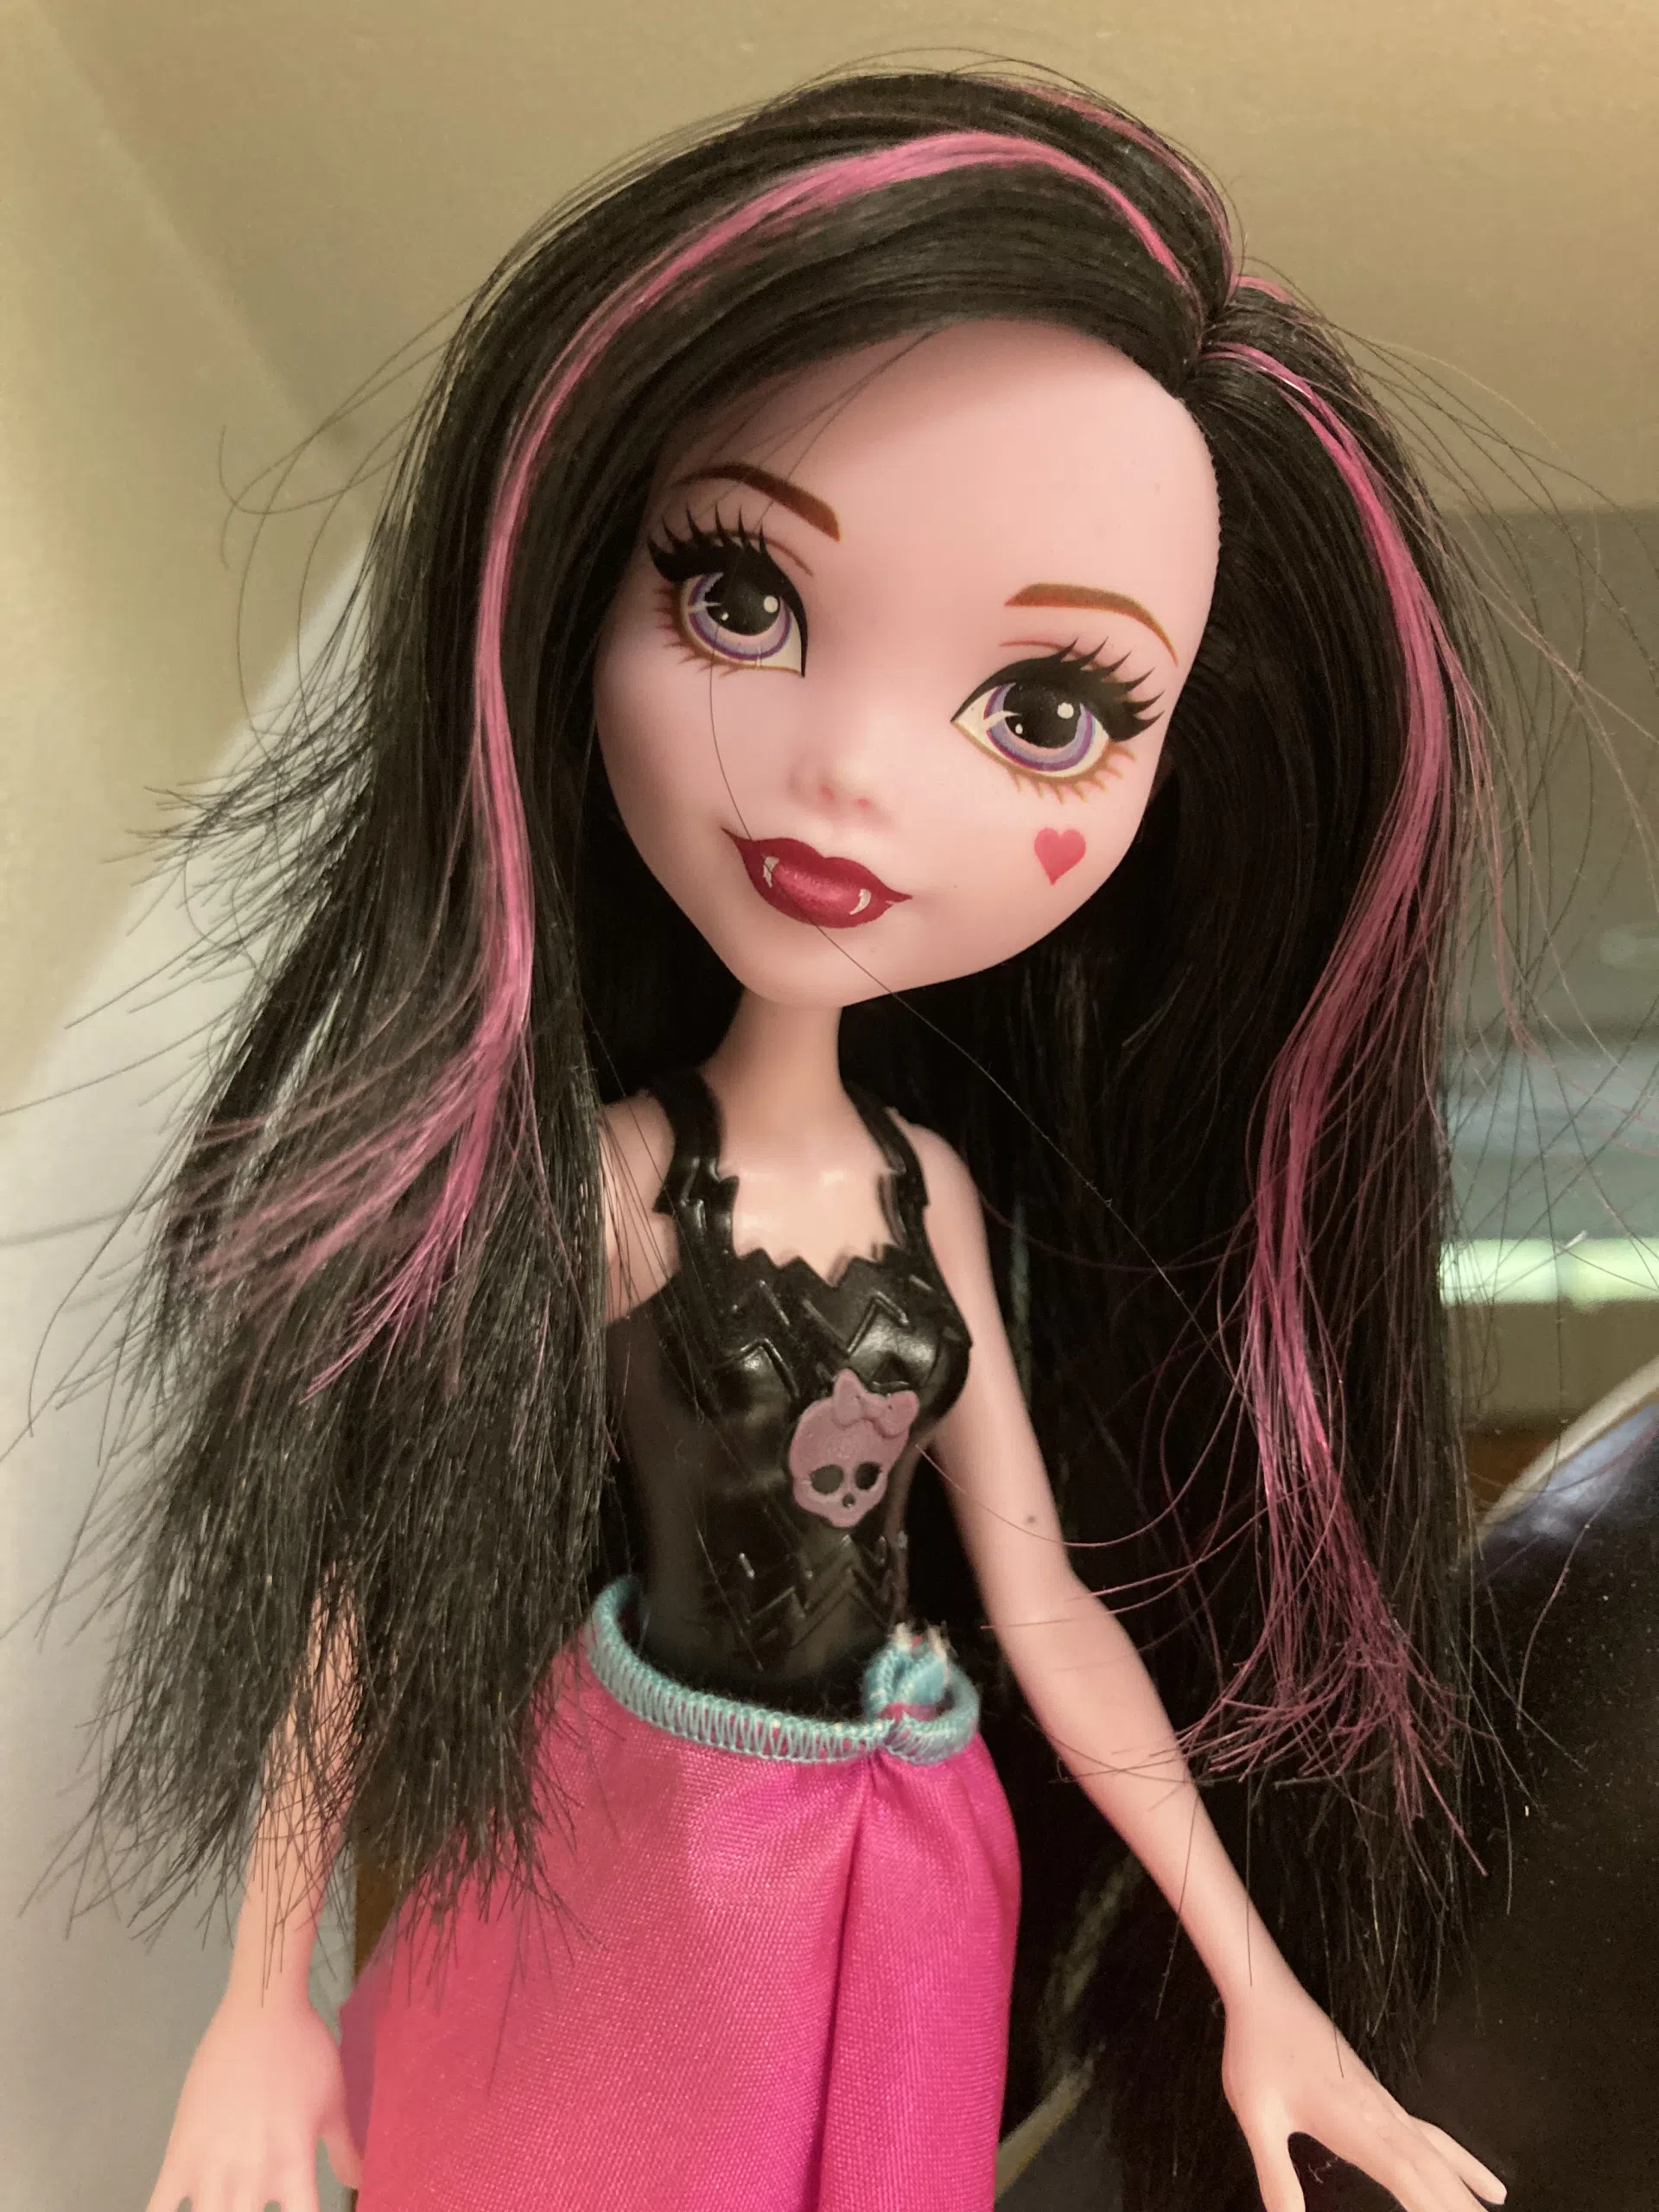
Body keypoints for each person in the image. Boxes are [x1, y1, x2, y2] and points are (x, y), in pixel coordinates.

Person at [111, 70, 1508, 2212]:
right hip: (634, 1836)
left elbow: (1044, 1602)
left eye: (1046, 709)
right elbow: (366, 1586)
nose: (851, 772)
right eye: (741, 593)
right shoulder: (602, 1178)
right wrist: (260, 1993)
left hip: (904, 1844)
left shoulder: (928, 1192)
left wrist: (1260, 1978)